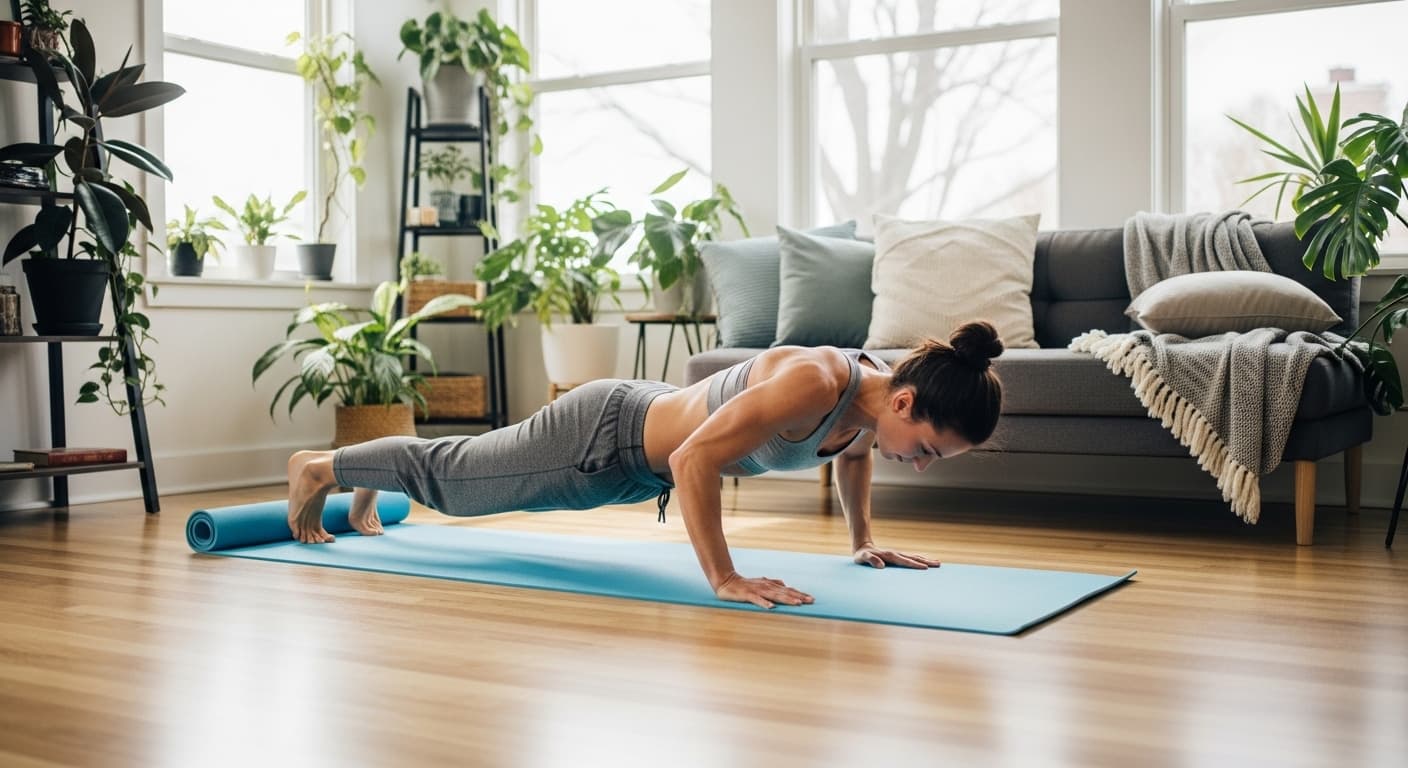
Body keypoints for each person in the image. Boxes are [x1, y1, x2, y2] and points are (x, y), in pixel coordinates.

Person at [286, 320, 1005, 609]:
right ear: (906, 403)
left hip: (636, 450)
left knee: (458, 472)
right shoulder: (817, 380)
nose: (922, 466)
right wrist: (723, 577)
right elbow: (695, 457)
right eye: (930, 452)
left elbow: (852, 459)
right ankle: (320, 468)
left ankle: (361, 485)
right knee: (458, 483)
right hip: (607, 435)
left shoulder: (870, 399)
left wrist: (862, 542)